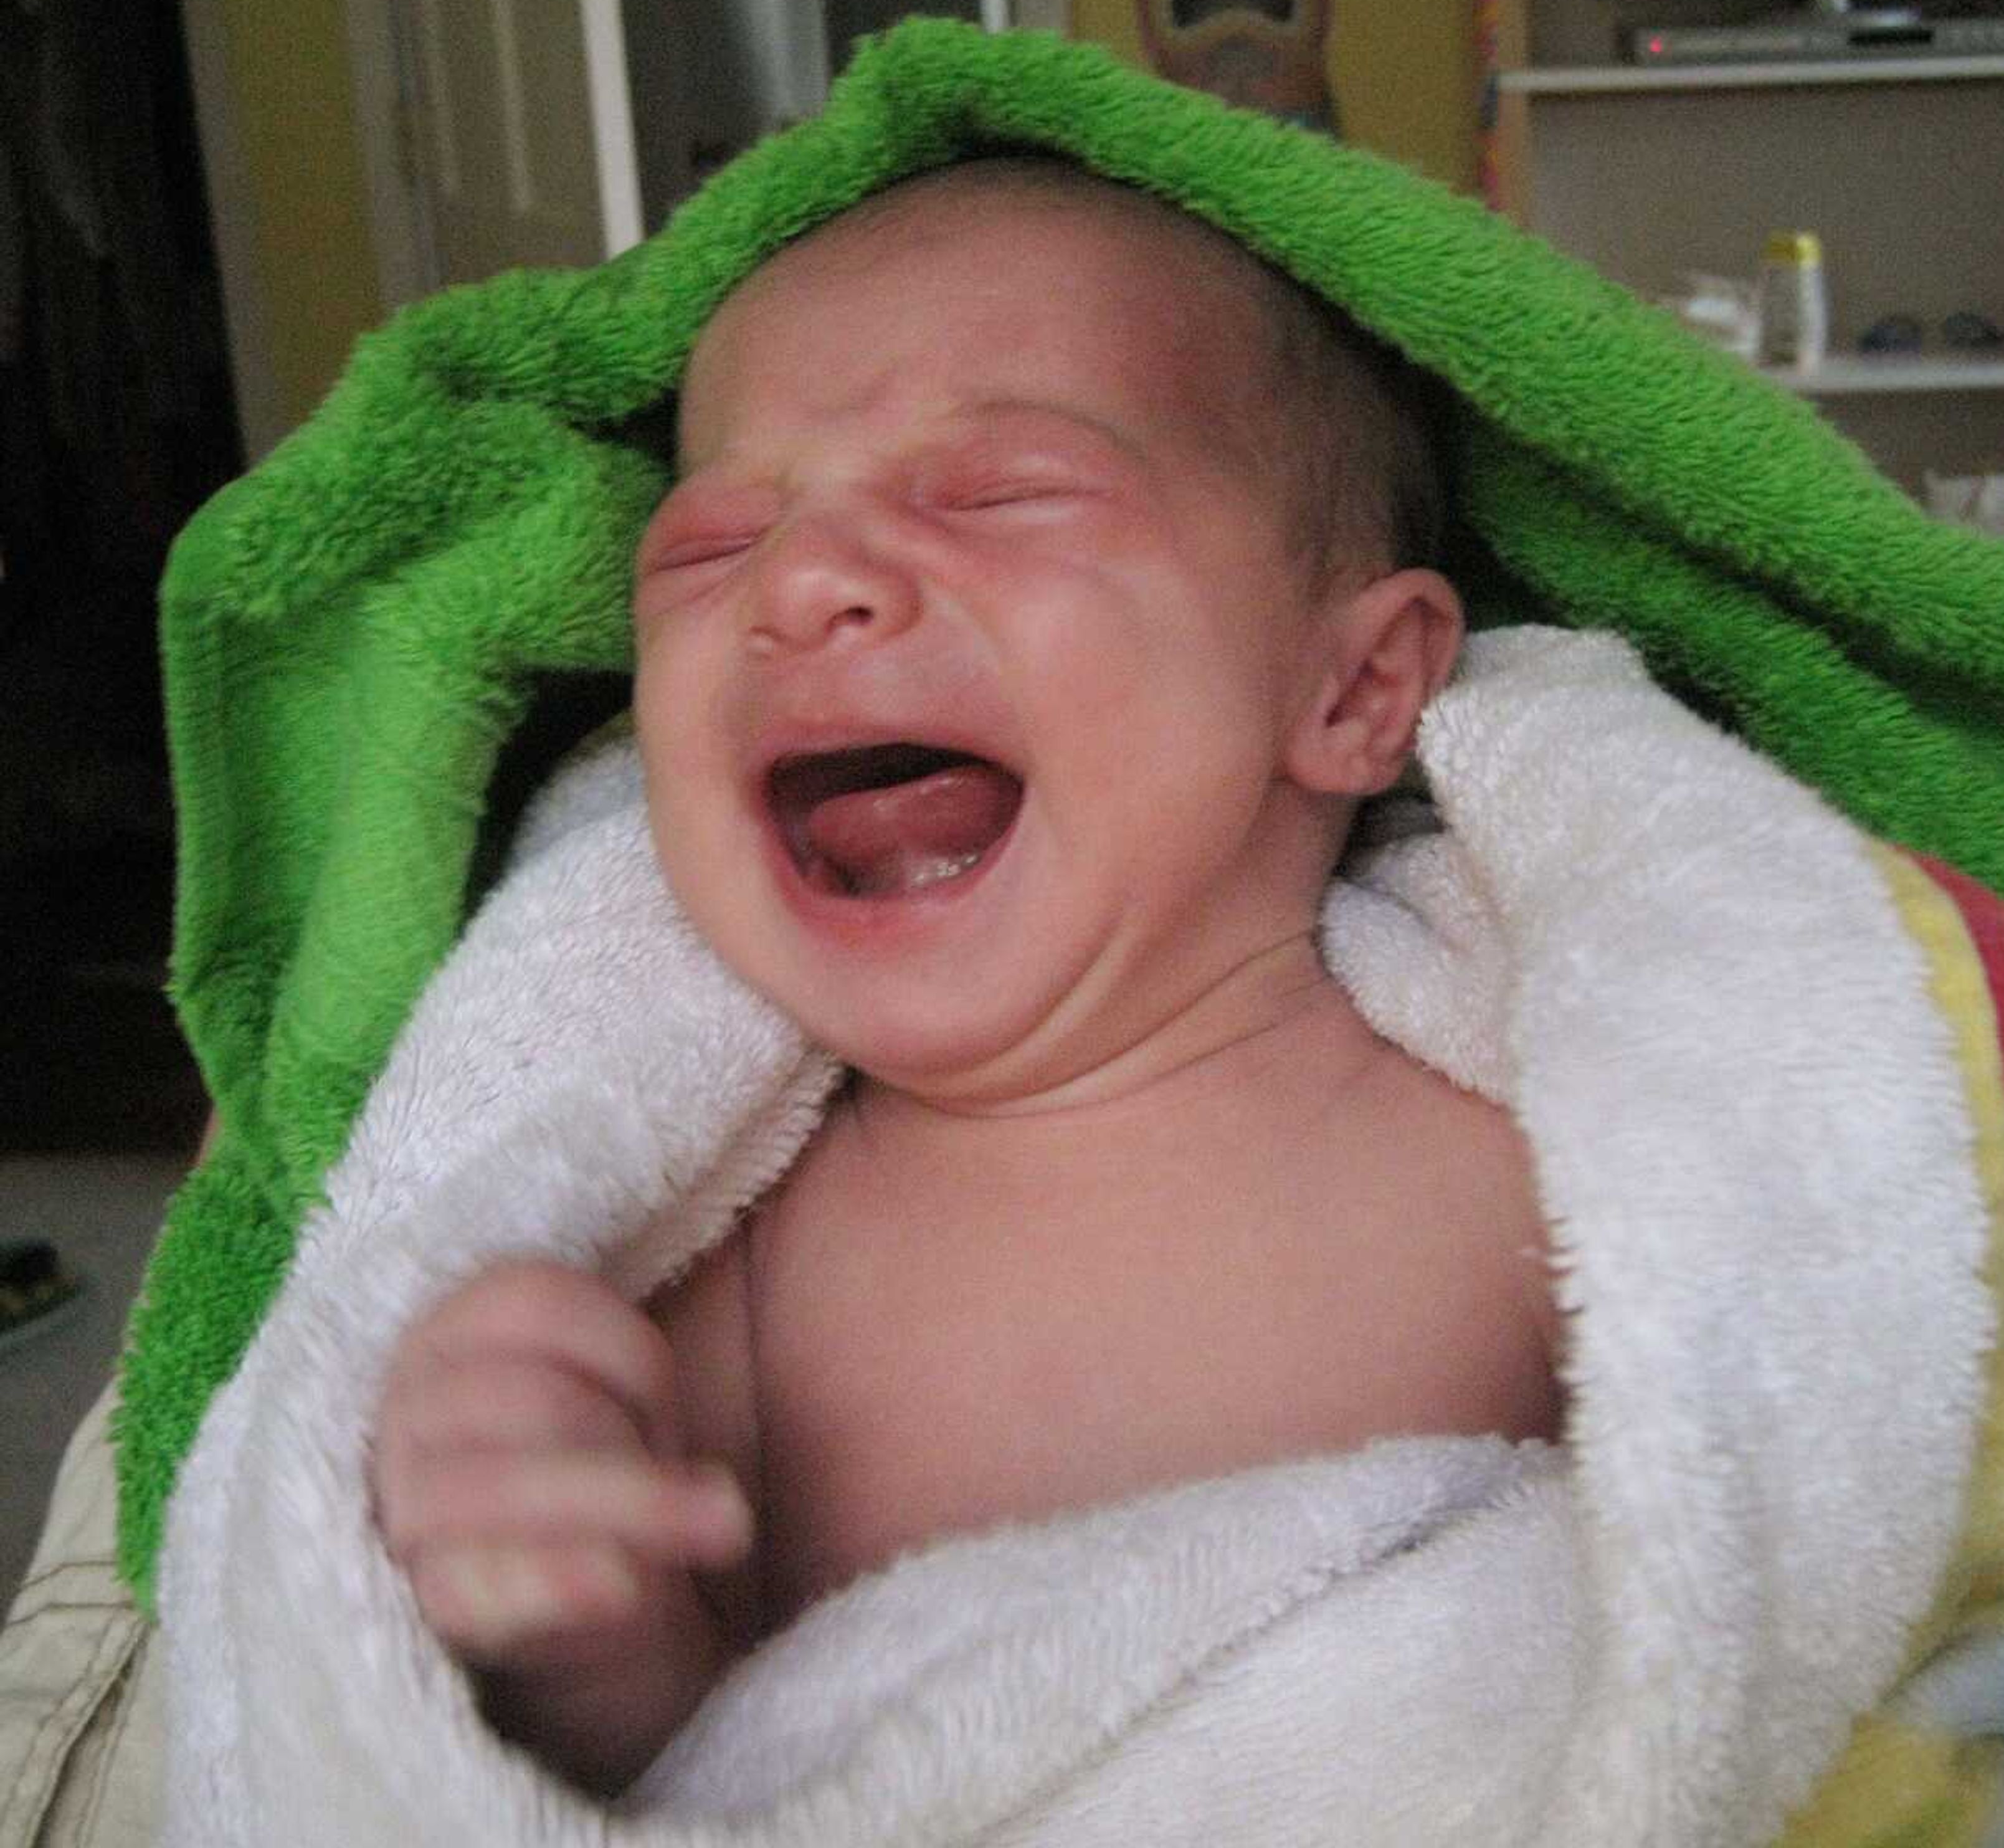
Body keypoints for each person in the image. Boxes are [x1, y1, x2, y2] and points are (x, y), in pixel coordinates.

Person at [366, 156, 1566, 1796]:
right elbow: (692, 1770)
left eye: (1000, 492)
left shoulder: (1543, 1143)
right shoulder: (740, 1285)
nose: (799, 581)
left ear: (1355, 686)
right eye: (708, 549)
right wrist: (571, 1607)